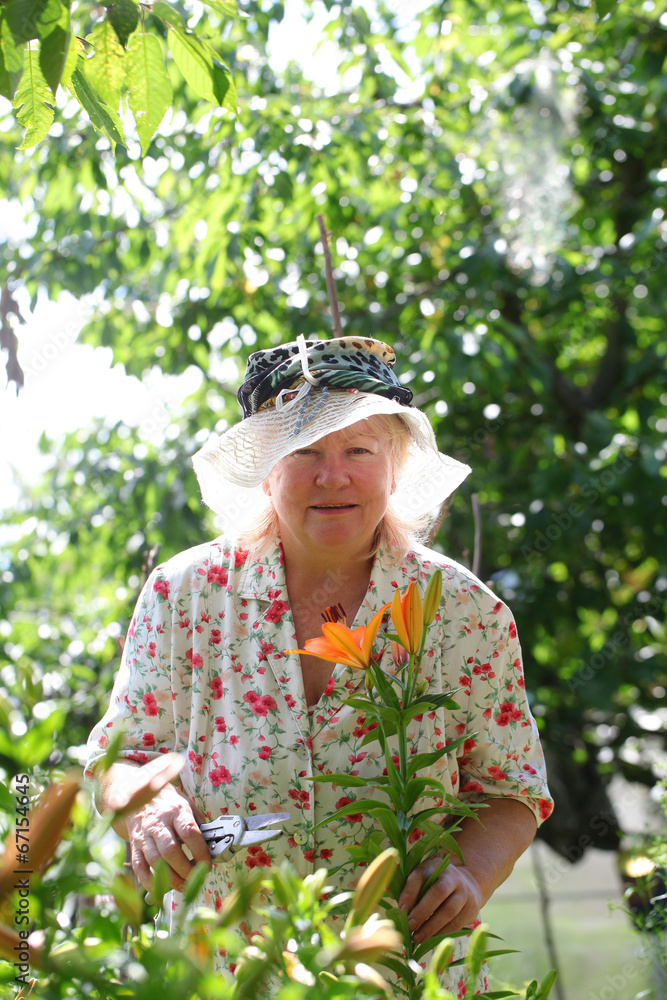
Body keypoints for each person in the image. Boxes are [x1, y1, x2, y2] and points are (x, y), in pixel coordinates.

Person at [87, 335, 553, 992]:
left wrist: (469, 874)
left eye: (358, 451)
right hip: (223, 965)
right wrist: (148, 809)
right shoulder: (184, 592)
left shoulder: (461, 612)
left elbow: (510, 788)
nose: (331, 476)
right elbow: (120, 757)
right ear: (266, 468)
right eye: (304, 451)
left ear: (393, 467)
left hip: (399, 966)